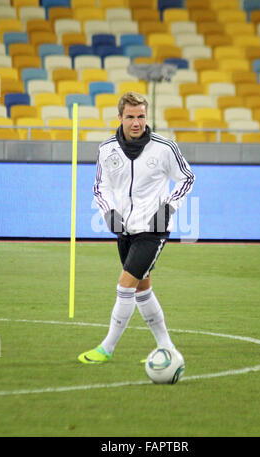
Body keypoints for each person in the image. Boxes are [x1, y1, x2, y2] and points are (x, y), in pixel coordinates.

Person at [78, 91, 195, 364]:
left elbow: (187, 178)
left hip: (153, 229)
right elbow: (100, 187)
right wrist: (108, 212)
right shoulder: (107, 150)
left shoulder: (164, 148)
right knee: (142, 290)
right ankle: (167, 348)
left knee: (125, 285)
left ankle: (106, 348)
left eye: (141, 116)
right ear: (119, 117)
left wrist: (168, 207)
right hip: (125, 230)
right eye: (130, 116)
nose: (136, 122)